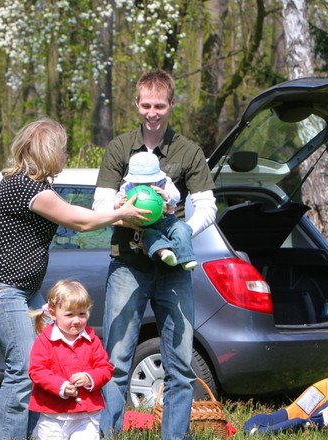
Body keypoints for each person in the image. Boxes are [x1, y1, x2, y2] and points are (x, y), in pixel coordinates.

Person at [0, 117, 150, 440]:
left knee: (52, 359)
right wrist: (120, 214)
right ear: (48, 152)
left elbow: (77, 211)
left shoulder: (39, 188)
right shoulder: (24, 187)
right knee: (24, 368)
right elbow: (78, 222)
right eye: (63, 150)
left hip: (24, 290)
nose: (66, 156)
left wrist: (115, 208)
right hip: (1, 289)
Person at [92, 69, 217, 440]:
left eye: (159, 105)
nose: (152, 112)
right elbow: (99, 204)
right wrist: (124, 210)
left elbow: (208, 208)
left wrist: (179, 232)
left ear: (171, 104)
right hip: (127, 264)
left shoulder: (188, 151)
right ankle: (106, 434)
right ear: (136, 104)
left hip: (173, 267)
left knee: (180, 366)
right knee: (115, 362)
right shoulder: (119, 148)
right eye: (146, 105)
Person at [27, 279, 114, 440]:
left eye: (82, 314)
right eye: (69, 315)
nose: (76, 320)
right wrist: (60, 386)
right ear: (53, 314)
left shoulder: (92, 339)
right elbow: (37, 371)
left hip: (86, 416)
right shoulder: (45, 340)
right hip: (52, 415)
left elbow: (105, 368)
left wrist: (89, 377)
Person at [116, 151, 197, 271]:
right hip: (147, 223)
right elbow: (117, 200)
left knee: (182, 229)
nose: (143, 185)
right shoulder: (127, 187)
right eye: (138, 183)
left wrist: (165, 194)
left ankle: (186, 258)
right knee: (149, 237)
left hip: (168, 220)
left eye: (148, 182)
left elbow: (177, 196)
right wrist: (119, 203)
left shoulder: (164, 182)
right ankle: (164, 253)